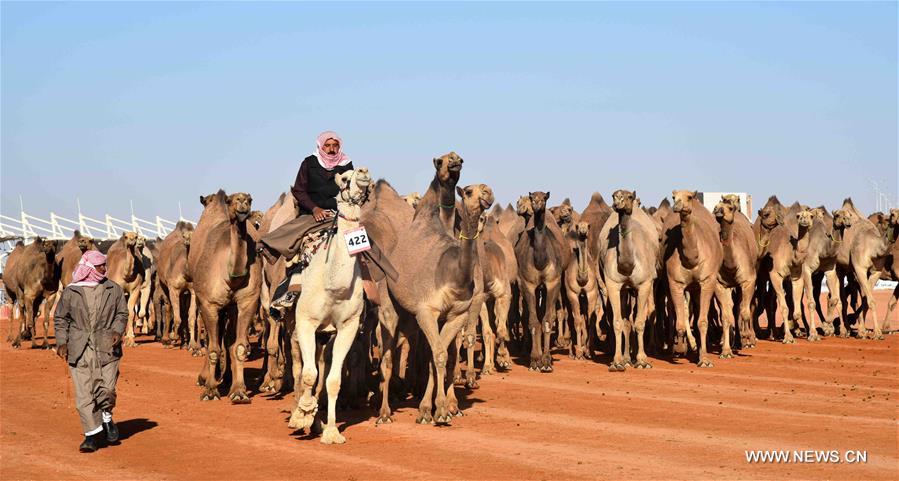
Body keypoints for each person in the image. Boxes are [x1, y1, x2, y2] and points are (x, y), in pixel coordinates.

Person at [261, 131, 354, 318]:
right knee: (304, 246)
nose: (331, 149)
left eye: (335, 145)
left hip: (341, 214)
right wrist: (314, 209)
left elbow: (352, 190)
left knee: (361, 247)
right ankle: (291, 287)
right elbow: (299, 191)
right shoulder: (309, 163)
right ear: (320, 146)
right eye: (327, 145)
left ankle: (368, 291)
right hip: (313, 214)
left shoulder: (347, 165)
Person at [54, 250, 128, 453]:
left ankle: (106, 416)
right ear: (88, 267)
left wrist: (117, 330)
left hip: (107, 347)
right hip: (79, 348)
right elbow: (61, 318)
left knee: (107, 389)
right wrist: (62, 342)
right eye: (100, 266)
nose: (105, 269)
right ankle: (91, 435)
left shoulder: (113, 289)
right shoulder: (71, 292)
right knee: (84, 395)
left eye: (105, 265)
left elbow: (122, 313)